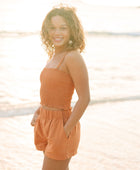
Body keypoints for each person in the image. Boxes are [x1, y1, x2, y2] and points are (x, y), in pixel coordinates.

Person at [31, 5, 90, 170]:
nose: (57, 32)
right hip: (45, 122)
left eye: (63, 28)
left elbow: (84, 98)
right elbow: (53, 91)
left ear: (72, 30)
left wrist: (65, 130)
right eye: (53, 28)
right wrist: (40, 110)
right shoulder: (53, 56)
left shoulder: (73, 57)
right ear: (47, 31)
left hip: (62, 124)